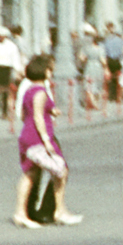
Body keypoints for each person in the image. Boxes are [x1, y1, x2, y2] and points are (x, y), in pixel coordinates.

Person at [14, 54, 80, 228]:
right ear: (45, 71)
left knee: (29, 173)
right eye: (50, 69)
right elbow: (38, 117)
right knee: (61, 170)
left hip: (26, 136)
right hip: (38, 137)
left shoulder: (29, 91)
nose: (52, 71)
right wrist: (46, 140)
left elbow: (23, 114)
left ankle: (20, 213)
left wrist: (51, 111)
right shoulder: (41, 92)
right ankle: (59, 211)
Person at [102, 22, 123, 104]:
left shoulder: (106, 40)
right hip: (118, 60)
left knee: (110, 78)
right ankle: (118, 95)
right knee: (117, 78)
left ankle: (111, 96)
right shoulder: (120, 40)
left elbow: (104, 51)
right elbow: (122, 51)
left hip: (110, 60)